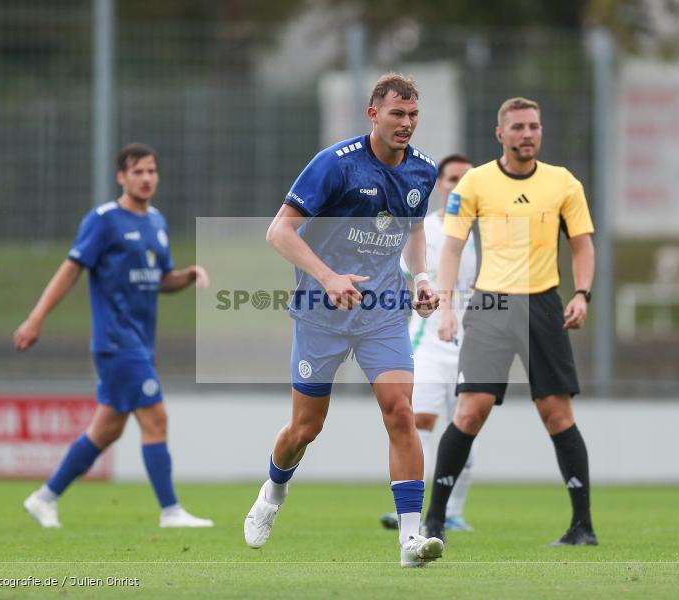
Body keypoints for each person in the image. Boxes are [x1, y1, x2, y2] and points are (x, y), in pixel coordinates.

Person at [243, 73, 445, 568]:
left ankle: (410, 541)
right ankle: (272, 492)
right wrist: (330, 277)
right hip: (322, 312)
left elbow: (414, 229)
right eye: (397, 113)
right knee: (305, 428)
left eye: (413, 114)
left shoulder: (424, 171)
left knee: (400, 411)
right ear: (372, 114)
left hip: (382, 314)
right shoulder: (334, 165)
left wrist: (420, 276)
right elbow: (279, 232)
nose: (407, 123)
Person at [423, 97, 598, 546]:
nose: (527, 134)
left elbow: (581, 244)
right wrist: (446, 307)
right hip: (490, 306)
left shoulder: (563, 183)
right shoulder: (477, 181)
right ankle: (434, 521)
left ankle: (582, 526)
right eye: (518, 127)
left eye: (534, 126)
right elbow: (451, 247)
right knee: (470, 410)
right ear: (500, 134)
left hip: (542, 305)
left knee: (557, 413)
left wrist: (581, 293)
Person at [14, 143, 212, 529]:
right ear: (121, 177)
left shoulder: (157, 222)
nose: (146, 178)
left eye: (152, 171)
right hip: (115, 342)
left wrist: (186, 276)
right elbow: (70, 270)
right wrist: (35, 318)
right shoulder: (103, 220)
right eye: (138, 172)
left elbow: (160, 280)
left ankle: (44, 497)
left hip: (140, 342)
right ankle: (170, 510)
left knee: (107, 429)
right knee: (156, 418)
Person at [380, 154, 479, 533]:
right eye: (452, 178)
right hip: (428, 338)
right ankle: (409, 508)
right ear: (440, 184)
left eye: (466, 179)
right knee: (416, 417)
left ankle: (452, 510)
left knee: (465, 424)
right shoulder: (428, 229)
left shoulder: (486, 232)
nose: (458, 185)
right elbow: (402, 276)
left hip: (473, 341)